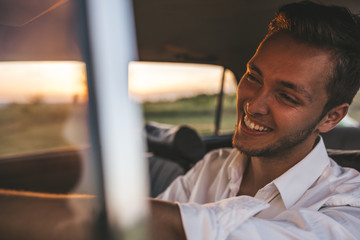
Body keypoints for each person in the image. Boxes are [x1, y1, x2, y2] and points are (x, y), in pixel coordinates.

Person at [150, 1, 360, 239]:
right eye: (253, 77)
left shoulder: (349, 205)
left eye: (286, 97)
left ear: (331, 118)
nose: (254, 104)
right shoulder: (211, 167)